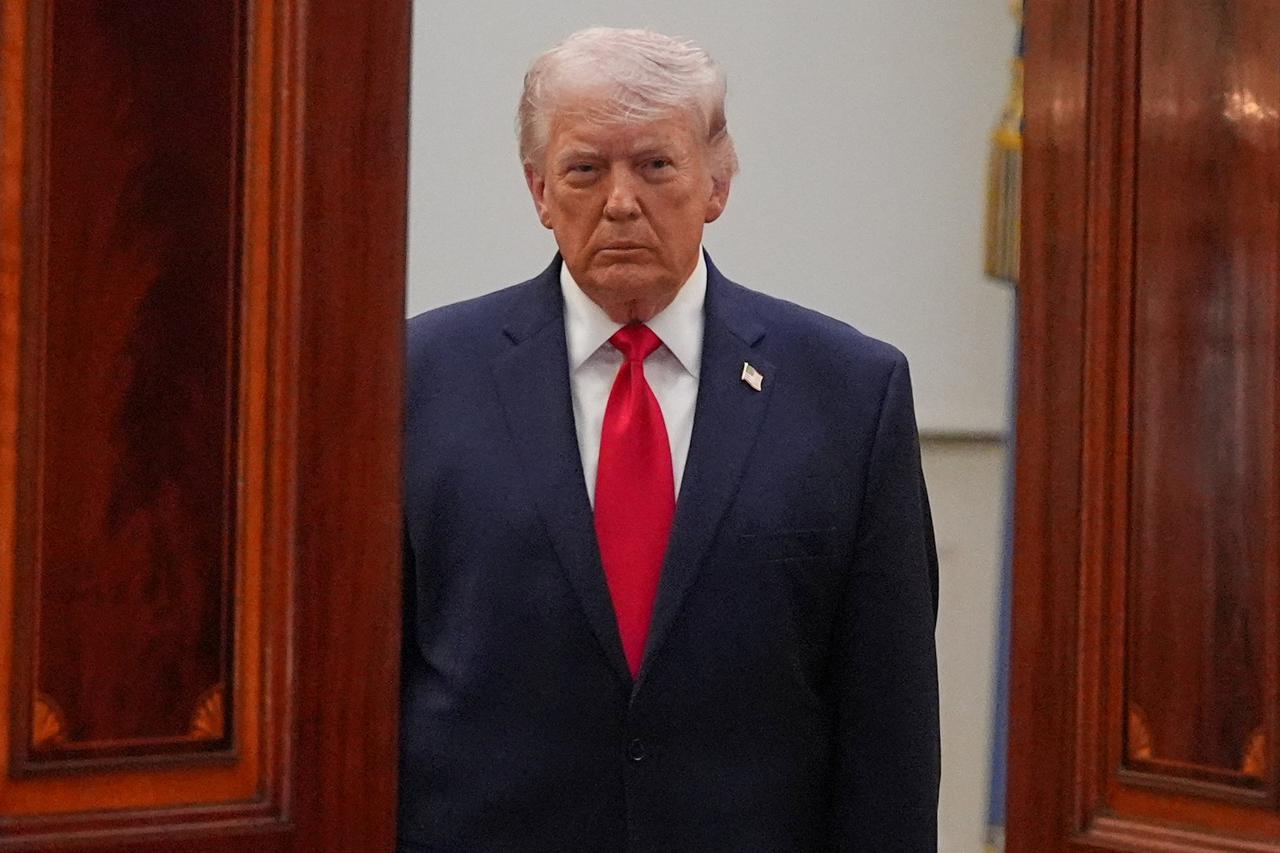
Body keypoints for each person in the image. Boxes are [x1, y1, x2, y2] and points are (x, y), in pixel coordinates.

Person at [398, 26, 939, 852]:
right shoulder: (417, 380)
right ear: (539, 190)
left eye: (655, 165)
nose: (621, 200)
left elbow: (890, 729)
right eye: (585, 169)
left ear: (717, 183)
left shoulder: (849, 394)